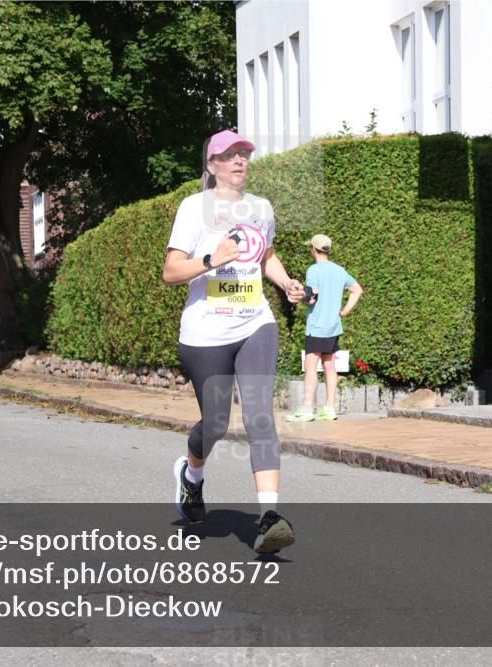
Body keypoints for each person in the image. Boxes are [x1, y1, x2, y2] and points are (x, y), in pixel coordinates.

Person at [162, 129, 306, 554]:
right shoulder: (194, 209)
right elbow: (171, 271)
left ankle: (269, 518)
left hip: (254, 323)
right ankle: (191, 476)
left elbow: (265, 255)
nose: (240, 161)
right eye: (230, 155)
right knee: (218, 425)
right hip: (205, 333)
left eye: (244, 153)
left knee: (261, 416)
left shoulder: (261, 208)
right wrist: (212, 260)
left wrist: (285, 283)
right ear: (213, 166)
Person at [286, 234, 364, 422]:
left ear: (313, 250)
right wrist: (344, 311)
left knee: (311, 364)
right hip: (333, 327)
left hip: (317, 326)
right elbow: (357, 290)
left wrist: (299, 294)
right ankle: (329, 408)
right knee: (329, 365)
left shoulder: (313, 270)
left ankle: (306, 408)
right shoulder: (339, 270)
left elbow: (312, 296)